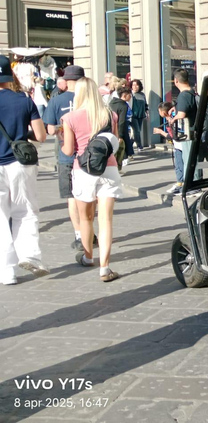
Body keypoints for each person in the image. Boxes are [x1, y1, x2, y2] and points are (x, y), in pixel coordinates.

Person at [61, 78, 122, 282]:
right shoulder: (110, 114)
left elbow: (69, 151)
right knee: (106, 220)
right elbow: (115, 142)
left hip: (84, 170)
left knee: (86, 218)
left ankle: (88, 258)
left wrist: (62, 145)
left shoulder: (69, 118)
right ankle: (105, 268)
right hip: (109, 167)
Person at [0, 56, 49, 285]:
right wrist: (20, 137)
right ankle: (30, 255)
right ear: (10, 78)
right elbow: (40, 136)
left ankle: (6, 271)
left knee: (1, 217)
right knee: (26, 210)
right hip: (20, 163)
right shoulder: (23, 100)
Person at [43, 65, 98, 253]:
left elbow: (50, 129)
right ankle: (90, 227)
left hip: (67, 155)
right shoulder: (92, 100)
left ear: (66, 81)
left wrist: (62, 130)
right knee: (91, 194)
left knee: (72, 196)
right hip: (91, 155)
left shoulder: (57, 100)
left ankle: (79, 234)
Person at [168, 68, 198, 181]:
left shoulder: (183, 95)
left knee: (188, 159)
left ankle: (192, 184)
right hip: (194, 131)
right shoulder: (191, 92)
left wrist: (172, 119)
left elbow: (181, 114)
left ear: (176, 81)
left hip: (189, 133)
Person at [154, 102, 184, 195]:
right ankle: (179, 183)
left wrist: (160, 132)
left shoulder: (173, 120)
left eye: (159, 111)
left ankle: (182, 184)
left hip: (180, 145)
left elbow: (172, 135)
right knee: (178, 165)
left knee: (180, 165)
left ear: (163, 112)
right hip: (177, 145)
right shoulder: (171, 119)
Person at [108, 87, 131, 170]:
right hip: (119, 130)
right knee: (120, 150)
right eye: (130, 95)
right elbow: (121, 121)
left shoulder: (112, 102)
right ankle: (117, 167)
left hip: (109, 128)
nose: (131, 97)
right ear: (124, 95)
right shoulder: (123, 106)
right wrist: (120, 136)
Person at [130, 79, 148, 151]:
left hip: (141, 115)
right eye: (133, 85)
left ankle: (129, 144)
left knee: (137, 131)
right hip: (133, 115)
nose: (135, 87)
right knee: (136, 130)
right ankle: (139, 145)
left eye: (136, 85)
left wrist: (147, 112)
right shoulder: (131, 94)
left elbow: (145, 105)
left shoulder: (142, 94)